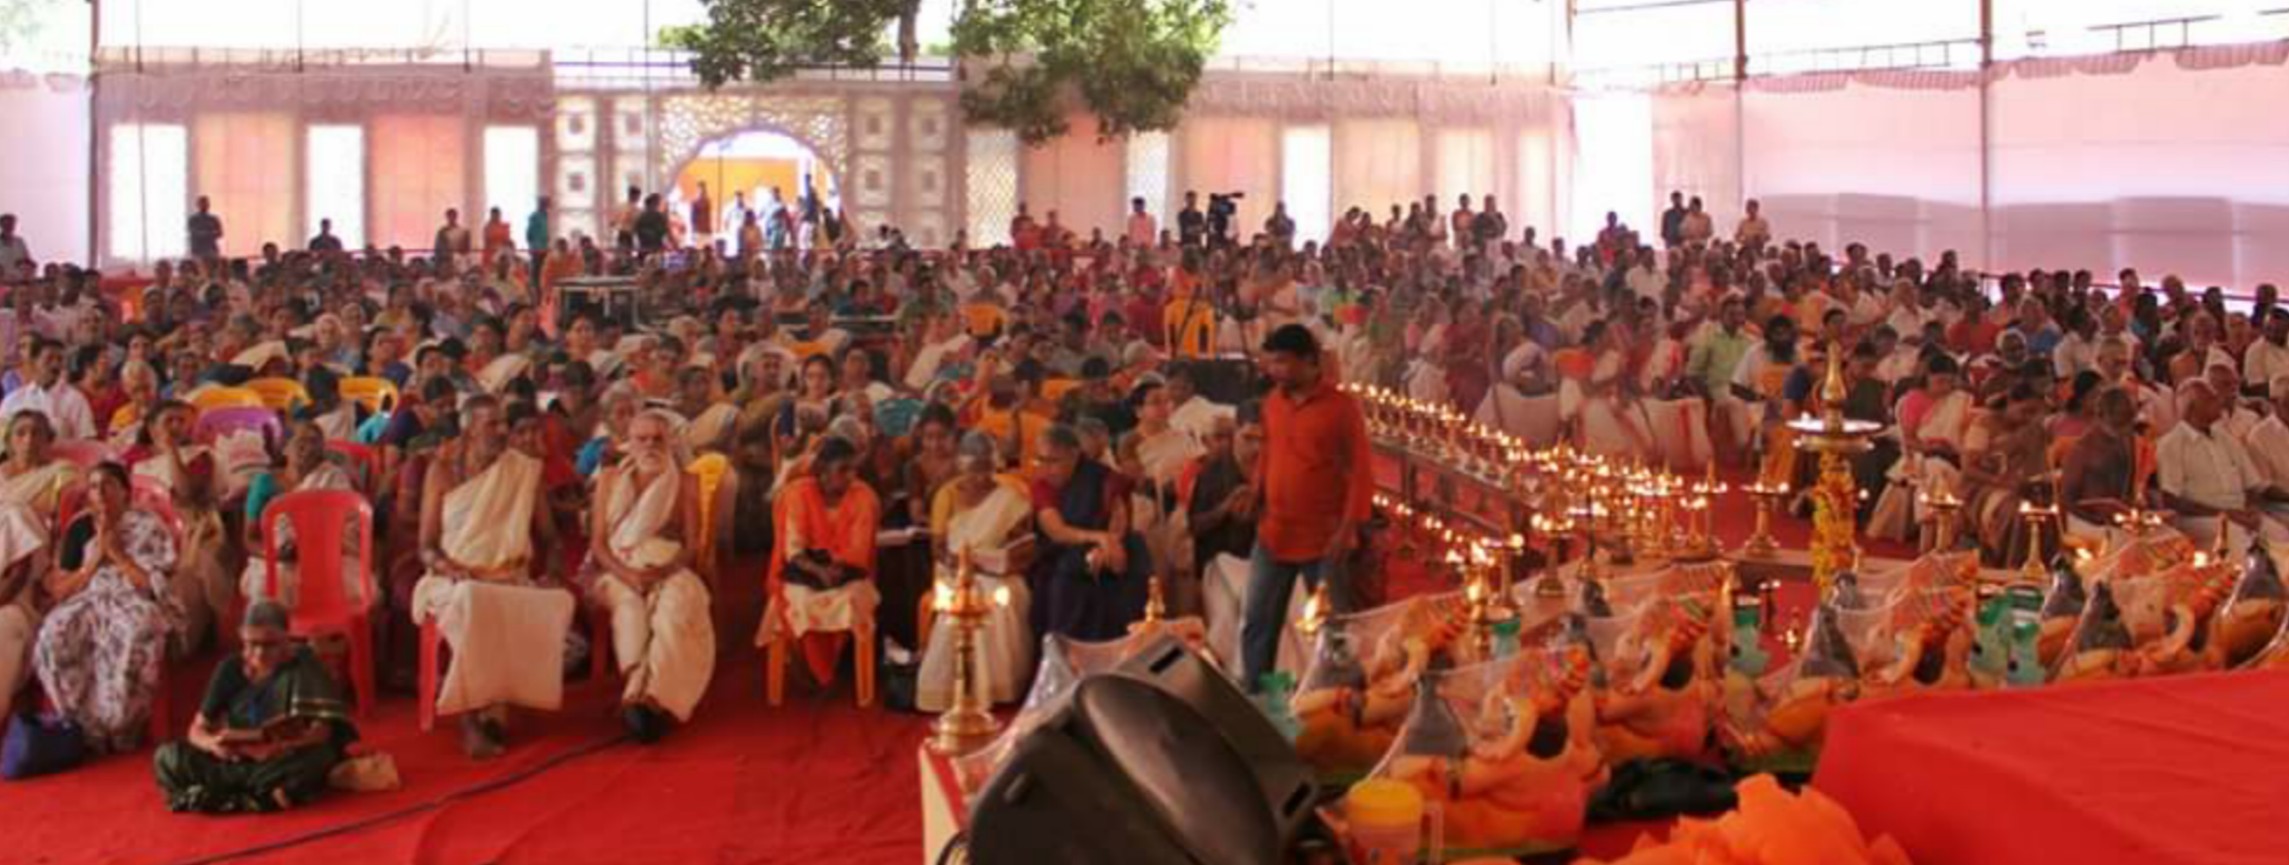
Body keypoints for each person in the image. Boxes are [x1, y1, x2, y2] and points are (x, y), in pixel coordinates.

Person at [412, 395, 572, 759]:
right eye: (492, 425)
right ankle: (470, 719)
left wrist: (553, 570)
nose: (502, 431)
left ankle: (497, 704)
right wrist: (450, 569)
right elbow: (426, 546)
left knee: (558, 601)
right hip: (454, 579)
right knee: (473, 601)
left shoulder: (524, 468)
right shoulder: (443, 471)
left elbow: (550, 538)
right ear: (469, 429)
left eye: (504, 424)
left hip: (509, 576)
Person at [1242, 324, 1371, 690]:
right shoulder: (1273, 402)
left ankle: (1345, 699)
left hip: (1322, 538)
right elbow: (1270, 451)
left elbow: (1361, 471)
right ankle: (1256, 698)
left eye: (1282, 362)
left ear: (1310, 362)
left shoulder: (1341, 408)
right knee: (1257, 622)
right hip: (1273, 532)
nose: (1274, 370)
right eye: (1272, 363)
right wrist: (1256, 491)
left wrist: (1348, 529)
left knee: (1335, 628)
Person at [33, 462, 183, 753]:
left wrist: (117, 554)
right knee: (54, 634)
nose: (99, 492)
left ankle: (122, 726)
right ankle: (83, 726)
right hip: (89, 597)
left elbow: (152, 587)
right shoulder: (80, 528)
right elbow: (61, 590)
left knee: (140, 628)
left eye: (108, 485)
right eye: (93, 486)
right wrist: (94, 561)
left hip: (132, 598)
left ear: (126, 493)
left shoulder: (148, 526)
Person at [153, 600, 357, 814]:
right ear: (241, 636)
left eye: (269, 644)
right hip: (235, 759)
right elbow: (196, 730)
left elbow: (322, 732)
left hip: (281, 758)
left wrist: (290, 744)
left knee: (320, 757)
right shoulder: (230, 668)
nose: (259, 653)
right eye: (251, 644)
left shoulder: (304, 665)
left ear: (286, 639)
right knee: (168, 756)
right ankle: (260, 796)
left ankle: (217, 796)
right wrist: (213, 744)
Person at [587, 409, 714, 742]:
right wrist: (629, 575)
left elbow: (691, 544)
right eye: (641, 439)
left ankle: (653, 696)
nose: (650, 446)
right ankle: (642, 693)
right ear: (628, 443)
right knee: (630, 610)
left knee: (678, 608)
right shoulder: (610, 480)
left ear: (670, 441)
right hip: (617, 569)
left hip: (667, 565)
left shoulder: (686, 481)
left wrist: (664, 570)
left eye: (657, 439)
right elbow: (598, 545)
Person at [917, 431, 1034, 711]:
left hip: (998, 573)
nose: (981, 478)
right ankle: (954, 688)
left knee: (999, 595)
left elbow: (1023, 543)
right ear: (961, 466)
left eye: (987, 470)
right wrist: (959, 563)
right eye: (974, 471)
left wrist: (1000, 559)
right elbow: (938, 547)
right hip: (953, 572)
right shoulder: (946, 494)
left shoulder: (1008, 497)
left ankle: (997, 687)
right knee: (968, 595)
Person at [763, 435, 881, 692]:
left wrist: (836, 568)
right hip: (804, 570)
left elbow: (860, 551)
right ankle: (810, 668)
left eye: (853, 469)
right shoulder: (798, 494)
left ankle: (832, 666)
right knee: (803, 600)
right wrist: (818, 570)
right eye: (842, 470)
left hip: (849, 573)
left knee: (850, 600)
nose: (851, 476)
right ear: (823, 474)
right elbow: (793, 549)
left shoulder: (863, 497)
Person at [1029, 423, 1151, 640]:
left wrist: (1107, 547)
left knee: (1135, 554)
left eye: (1054, 461)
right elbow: (1057, 532)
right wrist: (1099, 539)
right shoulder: (1042, 485)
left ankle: (1125, 648)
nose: (1047, 469)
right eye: (1041, 460)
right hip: (1061, 551)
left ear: (1075, 454)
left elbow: (1118, 520)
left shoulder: (1104, 478)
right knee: (1069, 571)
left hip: (1110, 549)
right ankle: (1068, 654)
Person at [0, 411, 76, 720]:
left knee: (8, 626)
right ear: (8, 442)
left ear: (49, 441)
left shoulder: (62, 474)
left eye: (37, 433)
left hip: (29, 571)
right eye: (21, 433)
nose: (29, 440)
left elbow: (64, 528)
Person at [2156, 378, 2288, 552]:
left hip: (2239, 513)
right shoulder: (2171, 444)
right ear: (2192, 409)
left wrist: (2250, 509)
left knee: (2282, 537)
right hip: (2201, 518)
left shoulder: (2225, 437)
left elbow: (2253, 485)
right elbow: (2171, 500)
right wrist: (2225, 513)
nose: (2219, 401)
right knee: (2239, 540)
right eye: (2210, 399)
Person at [238, 420, 358, 607]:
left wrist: (320, 547)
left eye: (315, 442)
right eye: (301, 441)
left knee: (349, 585)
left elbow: (349, 526)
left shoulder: (331, 478)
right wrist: (275, 554)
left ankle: (323, 633)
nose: (308, 448)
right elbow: (250, 538)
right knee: (268, 587)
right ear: (285, 448)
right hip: (277, 560)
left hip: (326, 559)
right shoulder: (264, 483)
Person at [1, 338, 96, 440]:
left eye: (60, 360)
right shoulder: (14, 400)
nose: (55, 365)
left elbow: (87, 439)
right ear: (34, 362)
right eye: (49, 359)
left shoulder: (76, 400)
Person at [188, 196, 224, 261]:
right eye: (202, 204)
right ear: (198, 205)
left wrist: (205, 234)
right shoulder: (193, 219)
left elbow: (220, 233)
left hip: (211, 249)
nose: (204, 206)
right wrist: (210, 233)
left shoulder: (214, 219)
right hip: (198, 250)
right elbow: (194, 233)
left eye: (206, 204)